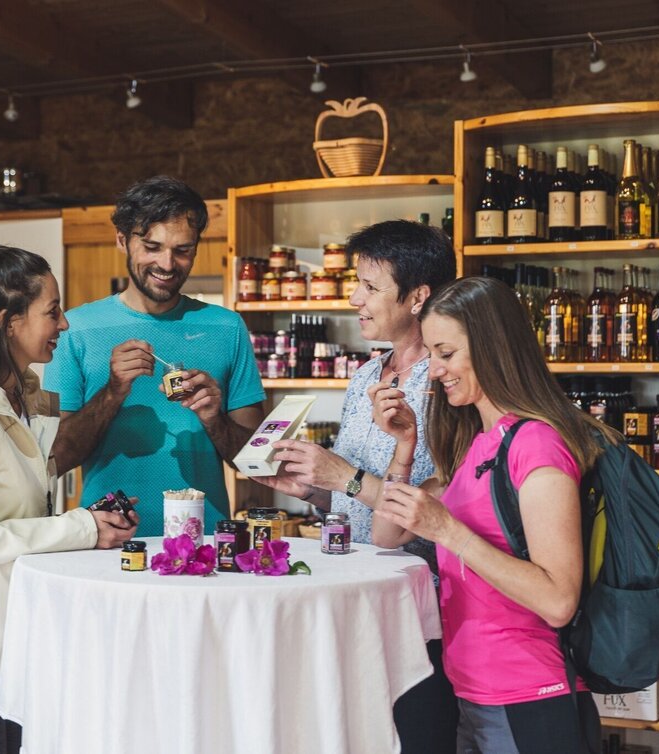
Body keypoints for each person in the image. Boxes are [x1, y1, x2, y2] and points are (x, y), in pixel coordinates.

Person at [371, 276, 617, 754]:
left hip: (530, 697)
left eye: (446, 353)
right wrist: (404, 449)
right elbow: (387, 532)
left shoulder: (538, 446)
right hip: (473, 694)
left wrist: (448, 530)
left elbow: (558, 600)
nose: (435, 370)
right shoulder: (477, 442)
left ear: (491, 347)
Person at [249, 219, 458, 753]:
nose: (355, 298)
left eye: (370, 286)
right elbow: (353, 493)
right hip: (353, 588)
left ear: (418, 297)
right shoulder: (365, 375)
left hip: (421, 599)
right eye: (356, 283)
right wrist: (311, 487)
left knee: (415, 735)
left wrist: (341, 475)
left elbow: (429, 503)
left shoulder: (446, 382)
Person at [0, 236, 137, 754]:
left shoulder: (25, 398)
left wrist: (92, 521)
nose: (64, 324)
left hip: (27, 633)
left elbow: (32, 502)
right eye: (53, 312)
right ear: (6, 322)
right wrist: (84, 527)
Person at [45, 176, 265, 536]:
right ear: (122, 240)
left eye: (183, 249)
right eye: (152, 246)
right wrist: (112, 392)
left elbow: (255, 462)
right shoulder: (76, 329)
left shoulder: (226, 327)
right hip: (109, 539)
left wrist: (214, 419)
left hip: (203, 541)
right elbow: (55, 458)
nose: (167, 263)